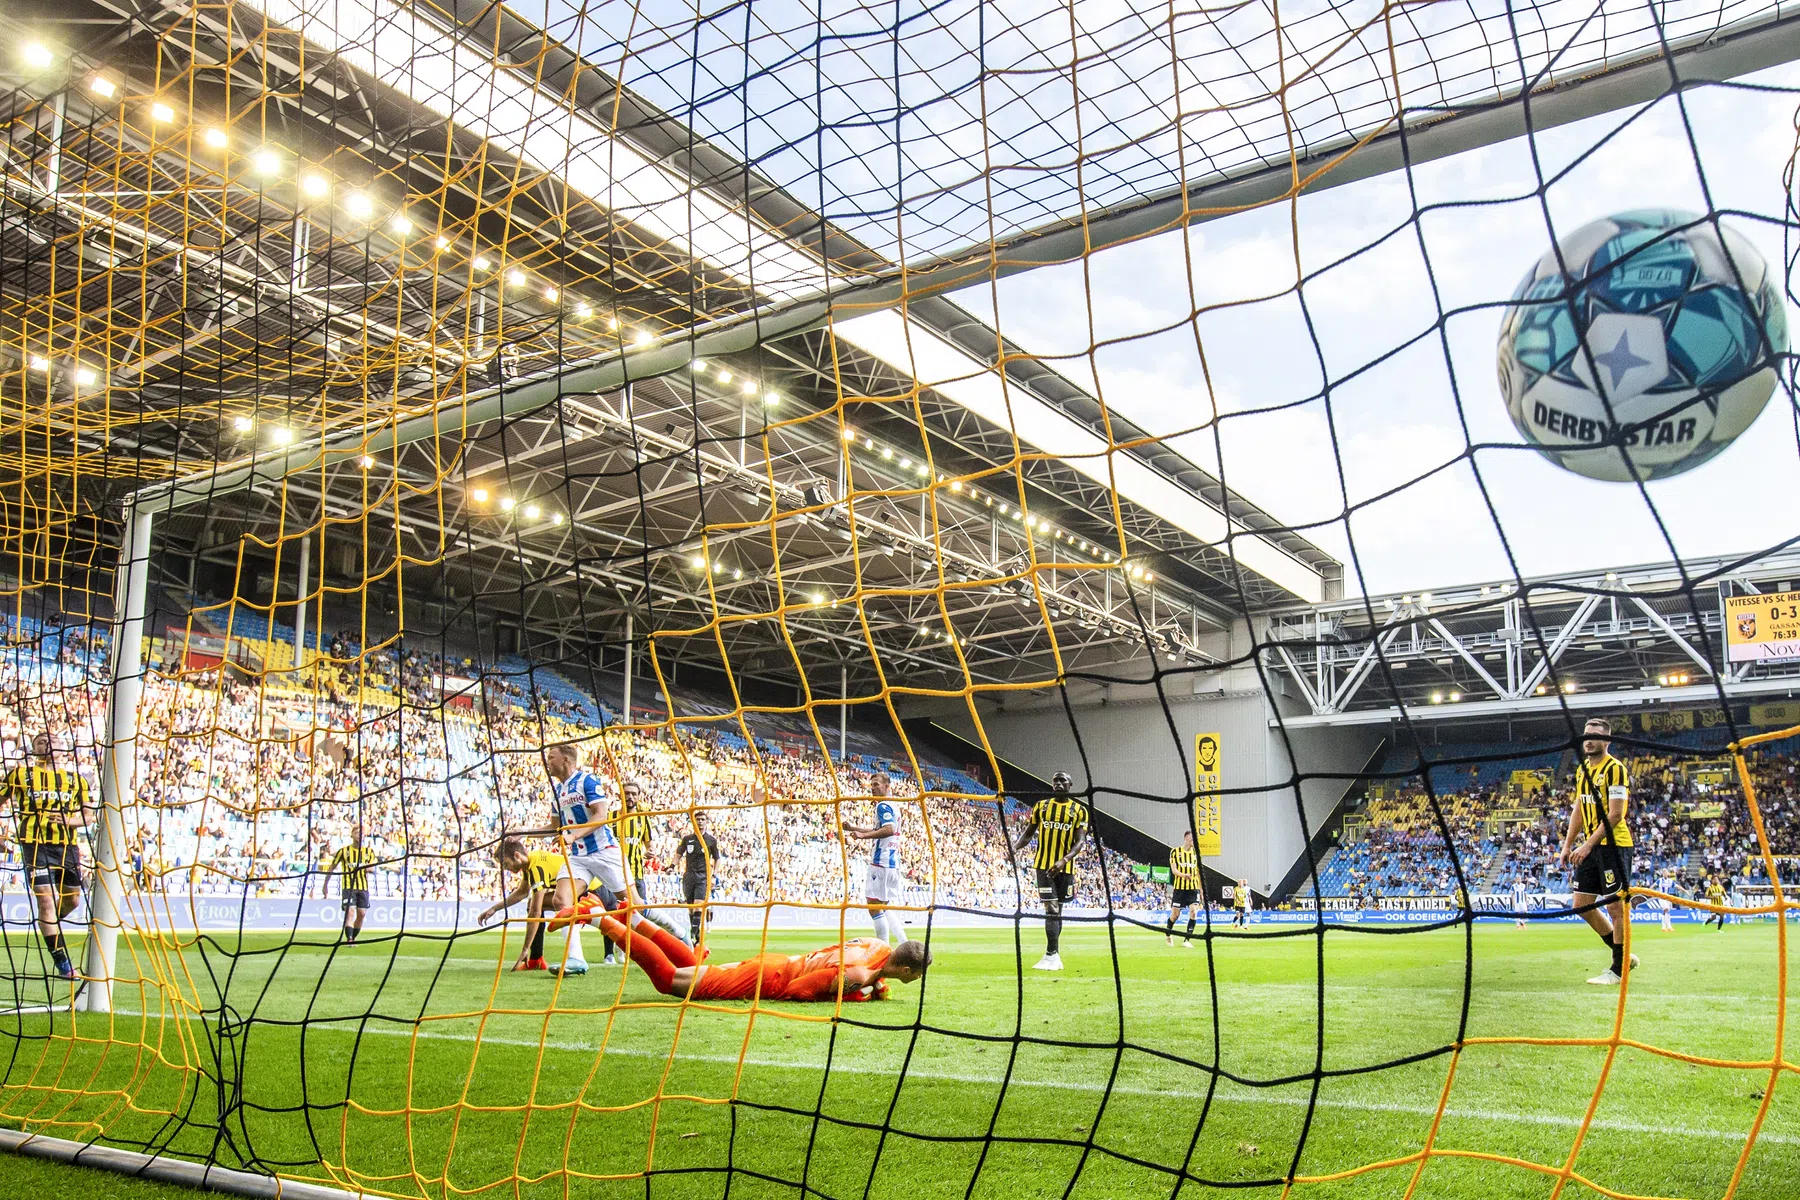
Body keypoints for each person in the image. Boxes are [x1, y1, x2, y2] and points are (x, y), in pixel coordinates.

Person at [592, 913, 930, 1001]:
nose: (916, 979)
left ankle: (633, 918)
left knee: (693, 969)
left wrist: (874, 987)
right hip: (768, 979)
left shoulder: (878, 947)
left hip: (779, 962)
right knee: (669, 982)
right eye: (916, 974)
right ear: (905, 969)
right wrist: (854, 994)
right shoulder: (859, 975)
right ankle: (600, 919)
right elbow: (799, 990)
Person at [1, 733, 93, 980]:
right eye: (41, 741)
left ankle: (48, 924)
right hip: (35, 845)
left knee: (73, 902)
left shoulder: (76, 780)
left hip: (67, 847)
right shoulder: (20, 775)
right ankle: (63, 964)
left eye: (53, 740)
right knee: (46, 901)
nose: (48, 743)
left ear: (63, 748)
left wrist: (69, 821)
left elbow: (89, 816)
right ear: (34, 750)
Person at [1557, 717, 1639, 985]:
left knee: (1616, 907)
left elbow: (1616, 814)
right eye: (1586, 735)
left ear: (1607, 741)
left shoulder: (1615, 769)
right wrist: (1567, 844)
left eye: (1595, 736)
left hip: (1613, 845)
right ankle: (1624, 957)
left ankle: (1618, 969)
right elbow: (1579, 809)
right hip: (1590, 846)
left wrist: (1587, 844)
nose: (1589, 740)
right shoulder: (1582, 771)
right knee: (1582, 906)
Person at [1010, 772, 1089, 972]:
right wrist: (1015, 847)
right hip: (1044, 867)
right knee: (1051, 909)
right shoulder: (1041, 806)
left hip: (1066, 867)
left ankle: (1054, 955)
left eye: (1063, 781)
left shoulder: (1079, 810)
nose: (1058, 784)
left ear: (1070, 785)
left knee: (1058, 911)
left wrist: (1064, 860)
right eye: (1055, 781)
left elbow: (1080, 841)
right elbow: (1028, 833)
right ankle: (1051, 954)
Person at [617, 777, 690, 953]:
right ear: (620, 795)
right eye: (626, 794)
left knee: (639, 913)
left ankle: (638, 948)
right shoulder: (610, 818)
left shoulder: (642, 819)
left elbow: (649, 845)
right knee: (613, 912)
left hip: (636, 873)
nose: (630, 797)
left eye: (633, 794)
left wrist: (650, 851)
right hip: (614, 873)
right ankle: (610, 954)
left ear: (638, 797)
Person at [840, 772, 908, 945]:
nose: (873, 788)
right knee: (884, 906)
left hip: (881, 862)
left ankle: (883, 948)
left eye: (876, 784)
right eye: (872, 785)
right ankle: (904, 943)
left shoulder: (882, 806)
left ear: (887, 786)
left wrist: (863, 836)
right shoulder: (893, 806)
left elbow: (889, 829)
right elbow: (881, 829)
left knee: (873, 906)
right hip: (892, 863)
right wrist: (854, 828)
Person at [478, 837, 564, 970]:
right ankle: (536, 960)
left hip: (587, 890)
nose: (506, 869)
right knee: (533, 904)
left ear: (517, 856)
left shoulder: (536, 868)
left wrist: (525, 949)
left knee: (534, 906)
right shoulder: (531, 861)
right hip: (581, 887)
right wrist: (494, 908)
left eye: (506, 864)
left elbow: (535, 913)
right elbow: (522, 892)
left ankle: (535, 959)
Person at [675, 814, 720, 947]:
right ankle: (697, 938)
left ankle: (692, 934)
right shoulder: (687, 839)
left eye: (702, 819)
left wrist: (714, 875)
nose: (700, 822)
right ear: (693, 822)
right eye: (697, 820)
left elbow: (717, 858)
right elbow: (678, 854)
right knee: (691, 908)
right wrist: (671, 866)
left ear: (706, 822)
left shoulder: (711, 840)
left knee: (698, 906)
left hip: (703, 876)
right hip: (689, 876)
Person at [328, 832, 379, 944]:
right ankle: (349, 939)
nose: (360, 835)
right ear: (351, 835)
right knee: (350, 912)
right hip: (348, 887)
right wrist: (325, 884)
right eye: (357, 833)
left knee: (362, 914)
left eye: (361, 833)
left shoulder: (369, 852)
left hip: (363, 888)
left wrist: (368, 868)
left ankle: (353, 937)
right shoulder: (343, 851)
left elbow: (373, 867)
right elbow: (332, 867)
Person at [1165, 831, 1201, 947]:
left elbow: (1198, 872)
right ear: (1186, 838)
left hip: (1193, 888)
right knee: (1175, 915)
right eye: (1192, 838)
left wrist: (1201, 889)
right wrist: (1183, 875)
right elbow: (1174, 870)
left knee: (1193, 912)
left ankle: (1187, 940)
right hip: (1180, 889)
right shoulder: (1175, 852)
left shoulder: (1196, 853)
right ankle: (1168, 934)